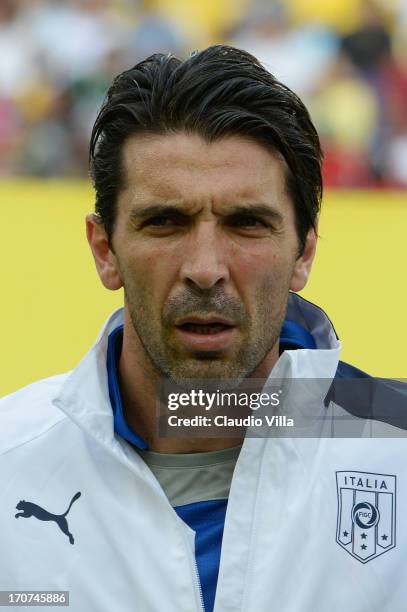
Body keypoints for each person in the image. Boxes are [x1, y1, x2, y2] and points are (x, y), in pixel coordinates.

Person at [0, 45, 406, 612]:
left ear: (303, 254)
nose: (206, 268)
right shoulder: (9, 463)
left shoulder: (397, 452)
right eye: (165, 222)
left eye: (247, 224)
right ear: (104, 251)